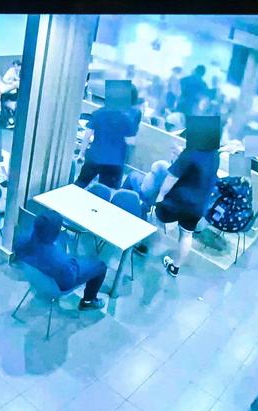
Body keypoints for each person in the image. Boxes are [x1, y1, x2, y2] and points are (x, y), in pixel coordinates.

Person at [154, 140, 221, 277]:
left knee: (155, 218)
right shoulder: (214, 154)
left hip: (178, 201)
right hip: (198, 205)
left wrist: (160, 196)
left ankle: (144, 246)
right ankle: (175, 267)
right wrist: (182, 153)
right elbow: (198, 166)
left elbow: (172, 177)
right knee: (186, 234)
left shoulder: (191, 151)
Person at [15, 210, 107, 310]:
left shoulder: (21, 242)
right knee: (100, 265)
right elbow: (69, 280)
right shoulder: (59, 261)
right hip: (56, 287)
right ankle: (88, 301)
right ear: (55, 232)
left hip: (35, 281)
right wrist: (73, 263)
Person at [76, 87, 141, 189]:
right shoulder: (127, 119)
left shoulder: (99, 112)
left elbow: (88, 134)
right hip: (114, 161)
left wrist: (81, 153)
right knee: (105, 192)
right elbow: (131, 142)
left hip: (94, 156)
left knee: (80, 184)